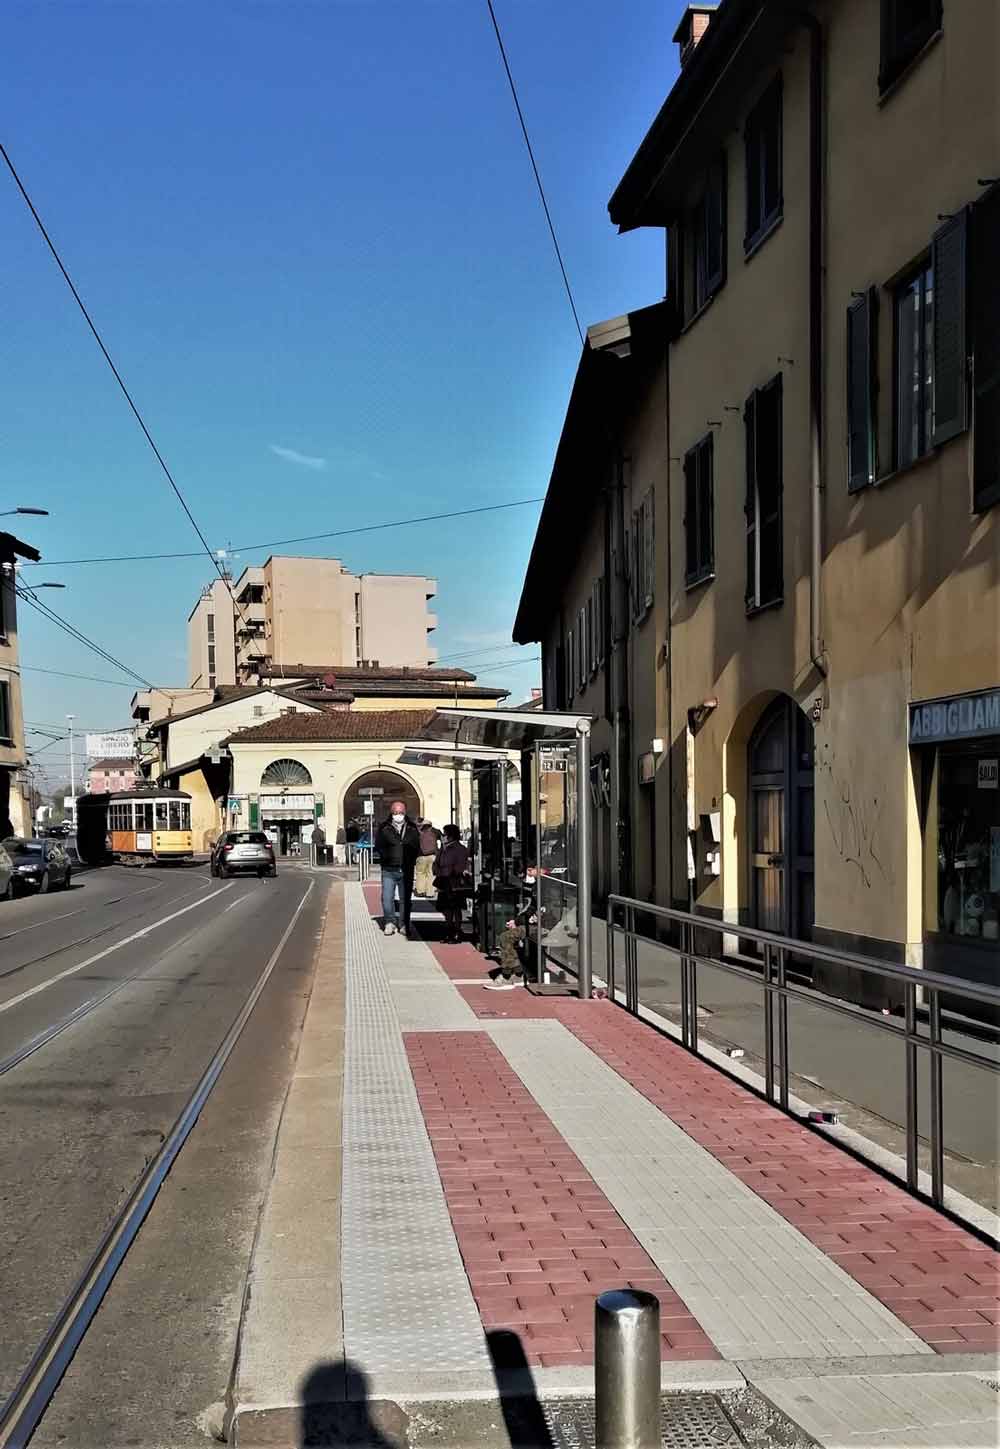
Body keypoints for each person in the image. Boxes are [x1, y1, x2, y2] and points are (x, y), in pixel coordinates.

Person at [374, 800, 421, 938]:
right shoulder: (384, 827)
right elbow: (378, 846)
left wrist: (410, 860)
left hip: (406, 869)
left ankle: (403, 924)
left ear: (405, 812)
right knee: (386, 898)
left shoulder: (412, 827)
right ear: (391, 813)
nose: (398, 815)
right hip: (389, 869)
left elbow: (417, 846)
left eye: (400, 812)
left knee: (405, 900)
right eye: (395, 812)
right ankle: (389, 922)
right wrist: (386, 857)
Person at [434, 823, 471, 944]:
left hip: (454, 882)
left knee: (455, 908)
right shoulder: (443, 848)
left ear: (450, 836)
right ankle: (449, 931)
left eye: (444, 834)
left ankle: (456, 932)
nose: (442, 836)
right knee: (446, 909)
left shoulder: (459, 848)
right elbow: (437, 863)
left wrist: (450, 872)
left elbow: (460, 866)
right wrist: (438, 872)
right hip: (443, 881)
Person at [413, 819, 441, 898]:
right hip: (432, 856)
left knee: (420, 874)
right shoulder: (435, 832)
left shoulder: (418, 832)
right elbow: (444, 840)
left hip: (420, 856)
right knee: (431, 874)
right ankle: (430, 893)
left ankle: (420, 891)